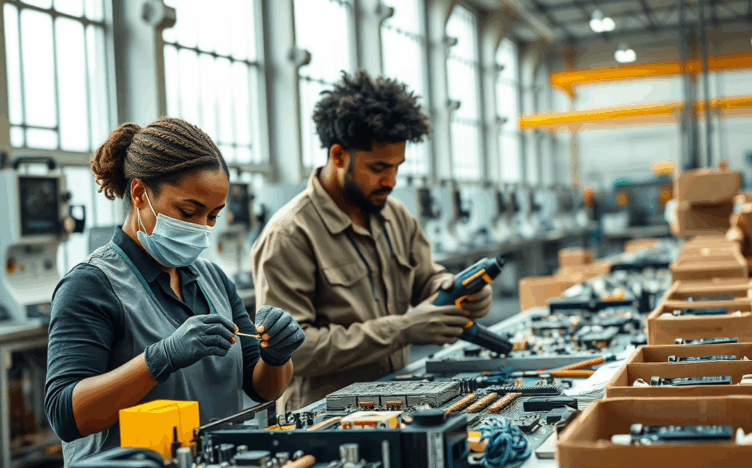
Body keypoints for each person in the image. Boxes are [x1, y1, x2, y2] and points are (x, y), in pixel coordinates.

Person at [44, 117, 305, 466]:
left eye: (212, 216)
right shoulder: (90, 286)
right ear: (139, 194)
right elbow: (65, 415)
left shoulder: (213, 280)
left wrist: (277, 356)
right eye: (188, 211)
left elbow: (261, 387)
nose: (201, 228)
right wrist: (159, 359)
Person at [250, 70, 493, 411]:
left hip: (398, 398)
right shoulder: (289, 235)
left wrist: (460, 288)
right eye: (379, 167)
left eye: (397, 166)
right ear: (338, 156)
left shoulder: (396, 215)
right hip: (327, 418)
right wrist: (402, 329)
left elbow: (426, 279)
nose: (391, 180)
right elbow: (294, 350)